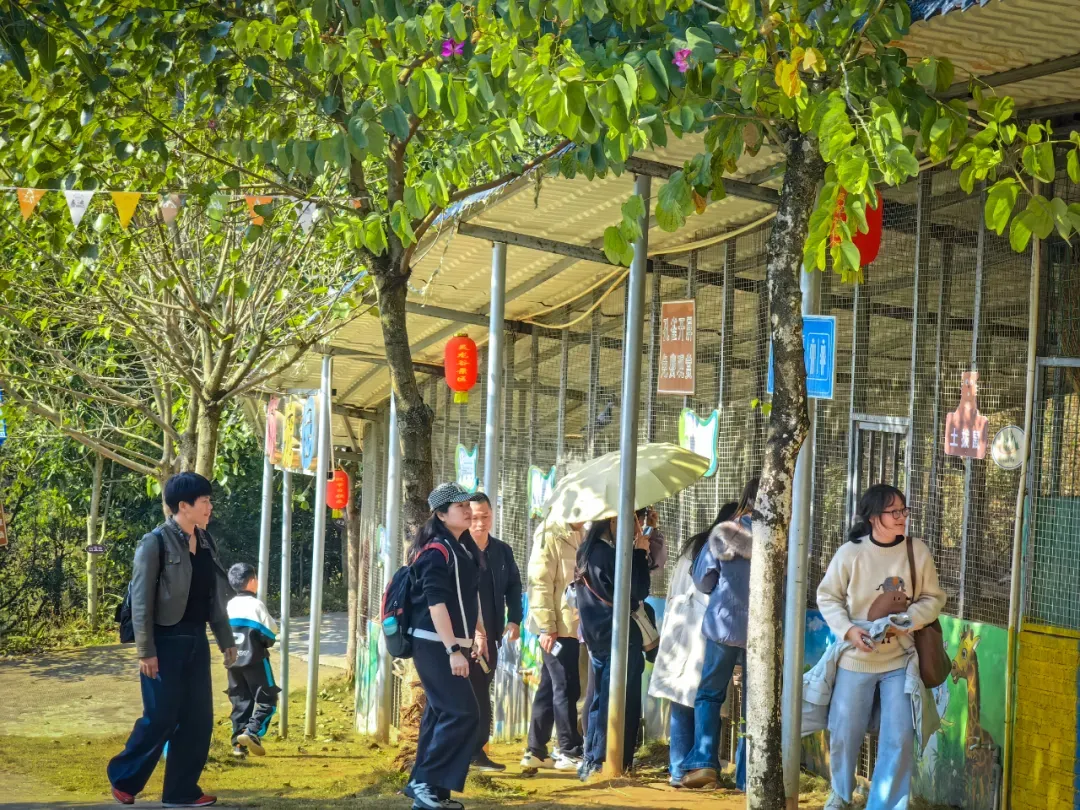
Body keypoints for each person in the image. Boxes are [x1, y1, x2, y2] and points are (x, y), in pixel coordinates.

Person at [107, 472, 236, 808]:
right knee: (161, 717)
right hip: (163, 642)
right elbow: (141, 602)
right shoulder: (155, 543)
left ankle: (181, 792)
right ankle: (123, 778)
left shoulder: (206, 541)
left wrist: (226, 640)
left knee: (198, 720)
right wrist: (145, 651)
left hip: (195, 640)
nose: (210, 507)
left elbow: (213, 598)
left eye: (209, 500)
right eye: (204, 501)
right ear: (183, 506)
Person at [816, 484, 946, 810]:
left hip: (901, 660)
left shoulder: (917, 551)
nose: (902, 516)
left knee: (900, 737)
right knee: (844, 732)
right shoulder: (850, 553)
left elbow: (933, 598)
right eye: (894, 511)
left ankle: (884, 805)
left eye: (904, 509)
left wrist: (909, 619)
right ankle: (840, 795)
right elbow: (827, 597)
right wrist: (849, 631)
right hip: (856, 659)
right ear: (874, 517)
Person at [404, 483, 485, 810]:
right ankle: (425, 782)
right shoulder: (436, 551)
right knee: (461, 713)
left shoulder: (460, 548)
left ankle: (431, 793)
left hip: (449, 644)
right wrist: (453, 650)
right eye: (459, 506)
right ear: (440, 514)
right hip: (434, 645)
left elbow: (466, 600)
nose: (467, 510)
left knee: (439, 716)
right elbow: (436, 604)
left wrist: (476, 635)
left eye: (467, 504)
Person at [648, 501, 737, 787]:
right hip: (709, 631)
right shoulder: (727, 549)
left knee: (682, 699)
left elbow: (674, 590)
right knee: (706, 699)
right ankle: (700, 769)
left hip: (681, 628)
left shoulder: (694, 546)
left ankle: (678, 770)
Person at [680, 478, 758, 789]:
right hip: (763, 632)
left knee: (710, 694)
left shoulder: (725, 533)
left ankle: (705, 763)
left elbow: (703, 580)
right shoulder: (783, 535)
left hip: (724, 626)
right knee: (755, 703)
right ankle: (748, 778)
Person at [575, 514, 651, 781]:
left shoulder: (587, 551)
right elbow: (638, 590)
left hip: (597, 636)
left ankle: (592, 759)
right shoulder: (608, 555)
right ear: (612, 522)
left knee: (600, 699)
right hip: (618, 636)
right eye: (628, 519)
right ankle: (607, 761)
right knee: (619, 701)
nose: (632, 526)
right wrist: (639, 554)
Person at [464, 493, 523, 773]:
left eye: (485, 516)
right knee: (473, 693)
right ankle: (471, 753)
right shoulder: (459, 551)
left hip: (493, 636)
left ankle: (475, 752)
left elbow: (514, 585)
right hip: (465, 638)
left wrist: (515, 620)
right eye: (474, 518)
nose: (480, 523)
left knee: (482, 689)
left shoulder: (502, 551)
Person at [522, 519, 587, 771]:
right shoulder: (549, 533)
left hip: (572, 624)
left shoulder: (582, 532)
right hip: (557, 627)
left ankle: (536, 750)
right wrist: (547, 625)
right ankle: (568, 750)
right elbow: (539, 582)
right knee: (566, 686)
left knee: (549, 686)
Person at [224, 563, 280, 759]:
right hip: (256, 661)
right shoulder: (256, 605)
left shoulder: (228, 605)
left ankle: (238, 747)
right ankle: (252, 732)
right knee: (268, 700)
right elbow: (270, 633)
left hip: (233, 663)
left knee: (240, 702)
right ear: (252, 581)